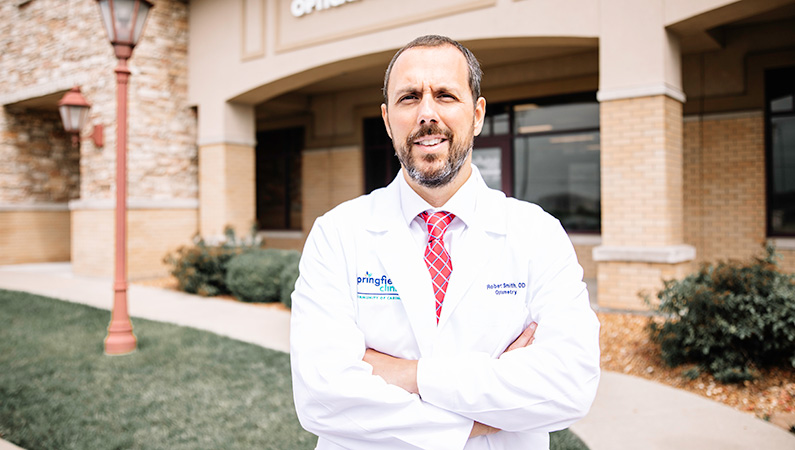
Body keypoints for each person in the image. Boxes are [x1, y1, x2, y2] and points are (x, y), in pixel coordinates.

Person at [290, 35, 600, 450]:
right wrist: (483, 415)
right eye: (409, 97)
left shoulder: (536, 233)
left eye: (445, 95)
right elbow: (321, 399)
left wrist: (408, 374)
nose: (427, 113)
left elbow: (569, 385)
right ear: (386, 119)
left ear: (477, 114)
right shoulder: (337, 233)